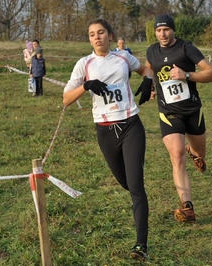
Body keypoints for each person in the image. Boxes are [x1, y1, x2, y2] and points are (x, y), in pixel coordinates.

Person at [63, 18, 153, 262]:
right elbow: (66, 99)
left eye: (101, 32)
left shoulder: (123, 57)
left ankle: (141, 245)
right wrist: (86, 85)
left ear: (110, 36)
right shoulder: (84, 64)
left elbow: (145, 69)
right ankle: (139, 202)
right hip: (104, 132)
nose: (96, 37)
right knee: (125, 183)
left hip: (131, 125)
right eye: (92, 34)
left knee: (136, 186)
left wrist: (147, 79)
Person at [145, 14, 212, 223]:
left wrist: (186, 75)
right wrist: (150, 86)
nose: (163, 34)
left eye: (166, 29)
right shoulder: (152, 51)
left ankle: (194, 153)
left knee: (200, 152)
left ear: (173, 30)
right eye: (159, 30)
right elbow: (149, 68)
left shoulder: (187, 49)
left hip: (192, 110)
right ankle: (187, 207)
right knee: (177, 156)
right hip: (168, 112)